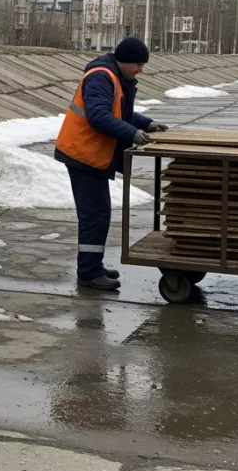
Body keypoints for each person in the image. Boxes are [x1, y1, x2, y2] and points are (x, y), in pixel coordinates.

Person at [53, 37, 168, 290]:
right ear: (125, 60)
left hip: (90, 155)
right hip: (82, 154)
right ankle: (89, 272)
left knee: (99, 212)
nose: (141, 70)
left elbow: (118, 112)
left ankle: (93, 265)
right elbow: (98, 116)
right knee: (94, 214)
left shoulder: (115, 77)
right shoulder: (101, 77)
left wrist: (145, 123)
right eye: (138, 64)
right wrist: (132, 133)